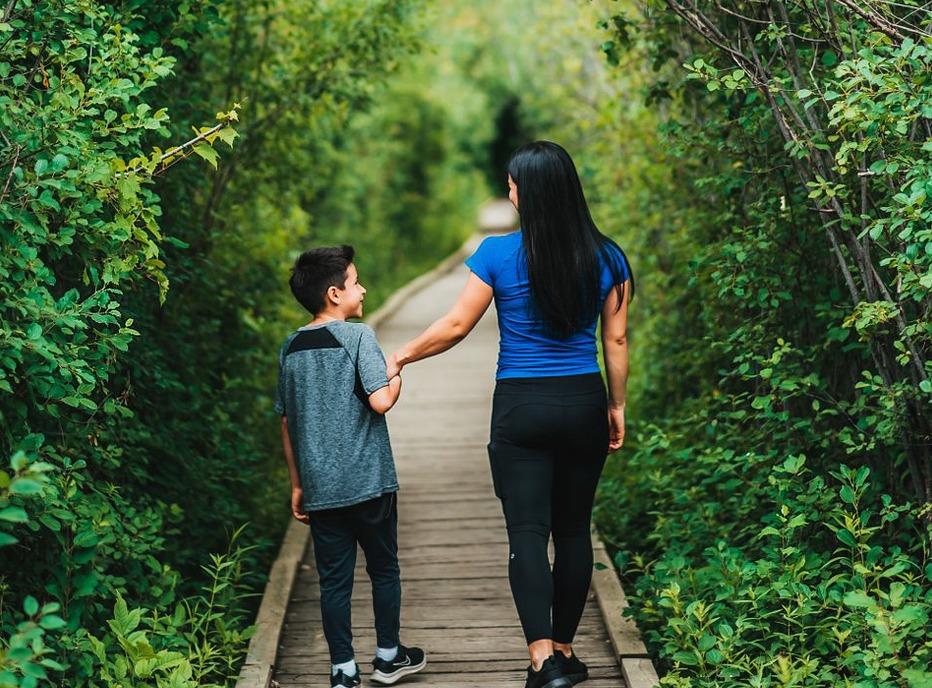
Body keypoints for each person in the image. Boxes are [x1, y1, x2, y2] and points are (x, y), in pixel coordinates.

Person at [386, 141, 633, 688]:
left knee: (527, 532)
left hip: (520, 407)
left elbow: (454, 327)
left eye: (514, 182)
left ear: (531, 191)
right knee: (573, 532)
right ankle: (565, 651)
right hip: (582, 401)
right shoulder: (608, 256)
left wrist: (400, 355)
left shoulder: (498, 255)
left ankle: (543, 660)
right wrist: (615, 405)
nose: (509, 191)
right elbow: (615, 340)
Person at [275, 245, 427, 688]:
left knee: (334, 582)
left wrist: (297, 484)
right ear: (335, 294)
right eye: (356, 282)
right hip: (369, 482)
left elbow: (287, 421)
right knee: (383, 569)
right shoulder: (360, 338)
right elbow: (380, 401)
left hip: (321, 488)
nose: (363, 289)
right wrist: (397, 369)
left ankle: (342, 669)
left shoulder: (291, 347)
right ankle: (387, 657)